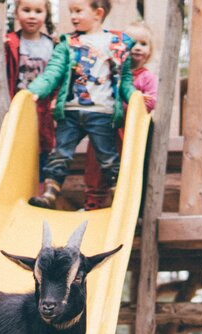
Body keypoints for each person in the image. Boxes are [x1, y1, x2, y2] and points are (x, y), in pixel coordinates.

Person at [27, 0, 136, 209]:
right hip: (71, 112)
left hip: (102, 112)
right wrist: (35, 91)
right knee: (60, 152)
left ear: (98, 13)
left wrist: (135, 97)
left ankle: (119, 197)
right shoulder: (67, 44)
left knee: (107, 157)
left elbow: (126, 80)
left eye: (78, 11)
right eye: (71, 12)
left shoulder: (118, 44)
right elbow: (52, 72)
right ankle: (49, 194)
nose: (73, 17)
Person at [82, 19, 158, 210]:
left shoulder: (146, 77)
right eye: (131, 43)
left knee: (125, 167)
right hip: (105, 126)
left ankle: (125, 206)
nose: (137, 48)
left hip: (128, 133)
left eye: (143, 44)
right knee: (96, 164)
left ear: (149, 50)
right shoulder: (111, 71)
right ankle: (94, 201)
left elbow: (152, 101)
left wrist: (138, 100)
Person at [5, 0, 56, 180]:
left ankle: (40, 188)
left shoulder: (52, 45)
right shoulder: (11, 42)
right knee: (18, 146)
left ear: (46, 15)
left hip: (44, 108)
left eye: (38, 11)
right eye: (26, 10)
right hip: (18, 106)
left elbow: (58, 76)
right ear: (17, 12)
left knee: (43, 147)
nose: (32, 16)